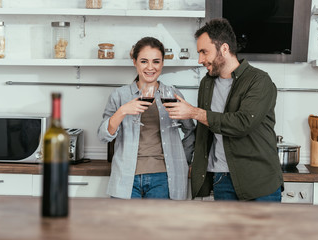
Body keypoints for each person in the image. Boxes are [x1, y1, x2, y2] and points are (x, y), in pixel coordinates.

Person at [163, 18, 283, 201]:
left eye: (204, 52)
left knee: (262, 231)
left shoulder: (259, 81)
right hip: (221, 179)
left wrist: (194, 112)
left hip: (258, 181)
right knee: (225, 232)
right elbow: (205, 129)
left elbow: (243, 123)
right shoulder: (207, 83)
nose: (200, 59)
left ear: (224, 49)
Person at [98, 37, 195, 200]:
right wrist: (122, 111)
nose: (150, 67)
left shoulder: (173, 94)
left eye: (156, 61)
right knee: (125, 226)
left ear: (162, 63)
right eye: (144, 61)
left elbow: (190, 130)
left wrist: (181, 159)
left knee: (155, 226)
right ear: (135, 62)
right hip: (126, 177)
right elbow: (103, 135)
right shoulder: (120, 95)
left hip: (164, 178)